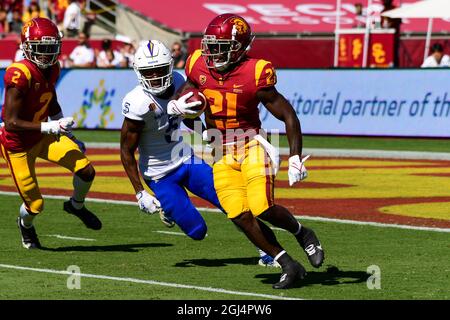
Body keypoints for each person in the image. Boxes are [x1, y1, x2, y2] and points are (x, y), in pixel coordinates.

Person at [169, 14, 325, 289]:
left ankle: (302, 233)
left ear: (239, 47)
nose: (211, 52)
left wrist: (296, 157)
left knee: (262, 206)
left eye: (219, 46)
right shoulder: (197, 63)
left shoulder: (256, 72)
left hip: (251, 144)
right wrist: (181, 109)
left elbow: (288, 115)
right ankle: (288, 264)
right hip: (219, 151)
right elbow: (186, 94)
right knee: (238, 215)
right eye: (210, 45)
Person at [120, 40, 279, 267]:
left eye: (159, 70)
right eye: (149, 72)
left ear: (170, 66)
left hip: (186, 159)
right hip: (159, 174)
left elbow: (186, 115)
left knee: (235, 202)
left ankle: (268, 252)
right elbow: (126, 151)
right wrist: (139, 193)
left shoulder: (177, 81)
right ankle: (169, 208)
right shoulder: (137, 103)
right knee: (198, 231)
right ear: (139, 73)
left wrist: (203, 132)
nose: (155, 77)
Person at [0, 18, 101, 249]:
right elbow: (11, 122)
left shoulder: (52, 68)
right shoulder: (19, 73)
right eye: (42, 48)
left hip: (42, 136)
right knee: (35, 205)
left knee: (87, 171)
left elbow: (50, 99)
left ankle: (76, 205)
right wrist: (50, 127)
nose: (47, 54)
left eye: (50, 48)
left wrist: (61, 125)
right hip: (17, 146)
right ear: (27, 47)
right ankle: (25, 226)